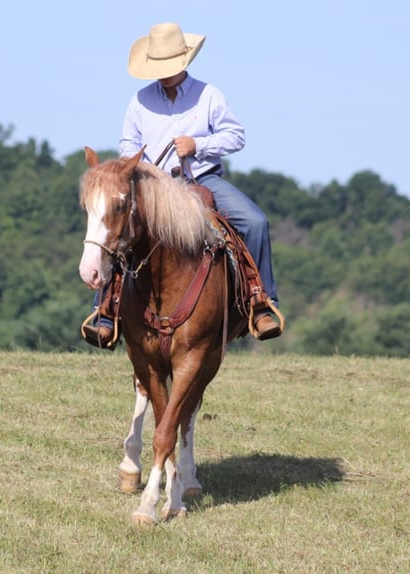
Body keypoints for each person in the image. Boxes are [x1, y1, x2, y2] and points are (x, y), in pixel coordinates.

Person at [83, 22, 281, 348]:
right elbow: (127, 145)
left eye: (169, 67)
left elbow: (236, 136)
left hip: (203, 179)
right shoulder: (140, 101)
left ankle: (261, 302)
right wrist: (140, 167)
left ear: (185, 61)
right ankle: (104, 314)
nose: (164, 74)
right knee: (118, 229)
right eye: (158, 68)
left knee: (255, 221)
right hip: (153, 187)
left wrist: (198, 145)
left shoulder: (209, 96)